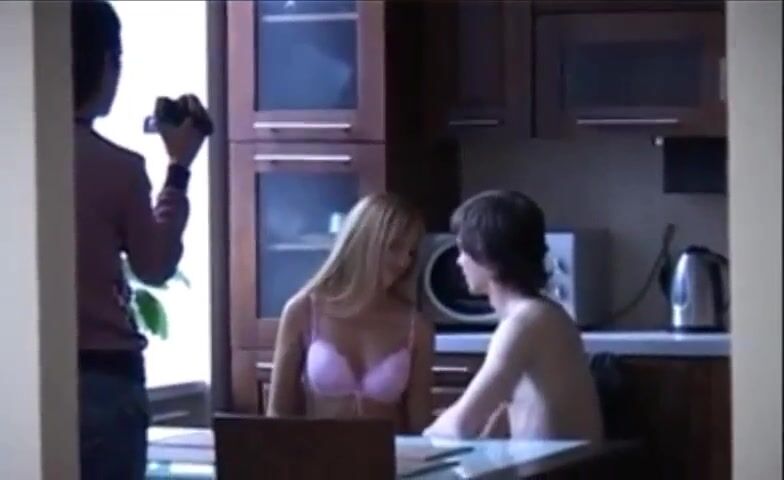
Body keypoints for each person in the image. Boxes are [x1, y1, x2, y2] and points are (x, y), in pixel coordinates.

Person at [71, 1, 210, 478]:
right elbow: (155, 264)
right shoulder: (120, 168)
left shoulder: (19, 155)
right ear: (104, 63)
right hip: (106, 374)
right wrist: (179, 168)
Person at [423, 190, 603, 441]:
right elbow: (503, 416)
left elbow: (462, 424)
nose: (459, 261)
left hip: (563, 464)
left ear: (488, 256)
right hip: (571, 461)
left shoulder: (523, 323)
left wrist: (416, 444)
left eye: (464, 250)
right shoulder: (546, 313)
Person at [267, 193, 434, 433]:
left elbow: (420, 427)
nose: (404, 262)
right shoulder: (303, 311)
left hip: (389, 454)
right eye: (395, 247)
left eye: (411, 252)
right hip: (318, 452)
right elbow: (278, 414)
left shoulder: (416, 327)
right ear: (362, 242)